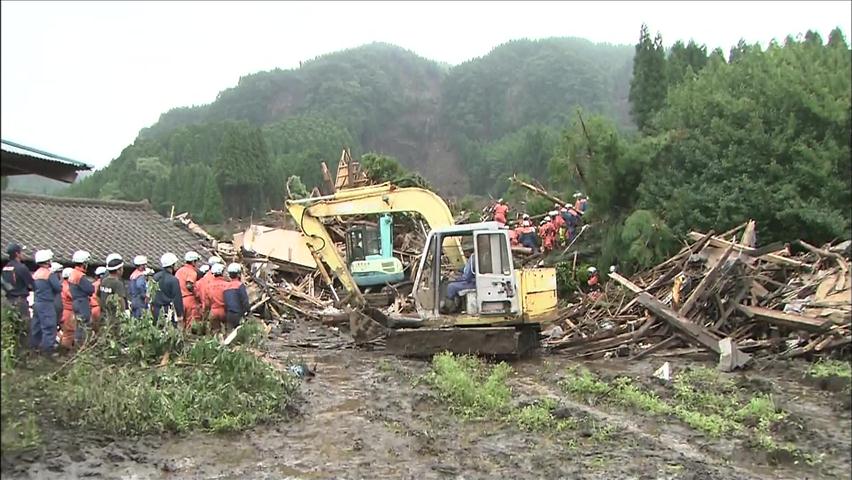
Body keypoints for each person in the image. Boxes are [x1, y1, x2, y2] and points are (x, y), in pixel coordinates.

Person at [31, 250, 61, 356]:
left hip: (37, 303)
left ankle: (34, 349)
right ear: (47, 261)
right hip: (47, 303)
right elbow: (58, 288)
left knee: (36, 327)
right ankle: (47, 352)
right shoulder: (49, 274)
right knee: (49, 327)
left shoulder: (35, 274)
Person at [68, 250, 95, 346]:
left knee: (79, 324)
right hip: (82, 302)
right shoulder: (80, 276)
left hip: (75, 301)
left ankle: (77, 345)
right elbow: (90, 289)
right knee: (84, 325)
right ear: (84, 264)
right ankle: (82, 346)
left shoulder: (72, 274)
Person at [2, 243, 34, 325]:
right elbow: (32, 285)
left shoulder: (5, 268)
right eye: (21, 252)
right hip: (20, 301)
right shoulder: (21, 268)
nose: (22, 254)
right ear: (17, 254)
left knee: (11, 326)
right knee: (25, 326)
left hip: (8, 301)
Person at [151, 253, 184, 327]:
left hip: (156, 310)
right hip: (168, 311)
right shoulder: (173, 280)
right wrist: (179, 314)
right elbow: (177, 299)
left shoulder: (155, 277)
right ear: (172, 265)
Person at [98, 254, 128, 324]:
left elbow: (98, 296)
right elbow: (121, 300)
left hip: (104, 315)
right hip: (114, 318)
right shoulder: (118, 283)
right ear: (118, 270)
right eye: (122, 268)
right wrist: (124, 314)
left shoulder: (103, 281)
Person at [175, 251, 201, 331]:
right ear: (193, 262)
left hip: (179, 299)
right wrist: (196, 293)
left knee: (180, 324)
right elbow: (189, 285)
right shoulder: (192, 272)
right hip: (189, 299)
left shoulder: (179, 271)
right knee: (190, 323)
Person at [223, 263, 250, 333]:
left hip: (229, 315)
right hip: (238, 315)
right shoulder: (240, 285)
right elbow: (245, 301)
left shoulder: (226, 287)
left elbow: (225, 303)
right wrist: (247, 312)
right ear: (238, 274)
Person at [204, 263, 228, 334]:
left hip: (214, 311)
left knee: (215, 332)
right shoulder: (227, 285)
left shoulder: (208, 286)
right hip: (225, 311)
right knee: (227, 332)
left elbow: (207, 304)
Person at [59, 268, 75, 350]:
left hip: (62, 311)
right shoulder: (68, 287)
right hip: (67, 311)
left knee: (65, 332)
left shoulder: (61, 284)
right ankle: (65, 351)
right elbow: (74, 296)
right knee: (69, 332)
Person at [90, 265, 108, 333]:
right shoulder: (104, 284)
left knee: (93, 329)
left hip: (92, 308)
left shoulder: (93, 284)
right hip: (99, 308)